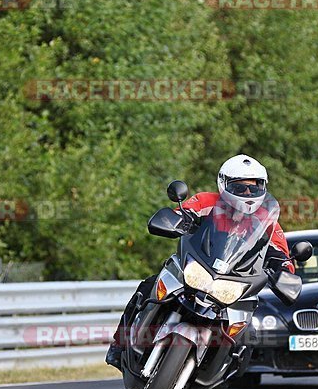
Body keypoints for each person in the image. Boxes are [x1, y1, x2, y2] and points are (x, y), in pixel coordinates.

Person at [105, 154, 294, 370]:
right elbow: (181, 215)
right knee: (147, 286)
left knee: (246, 332)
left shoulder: (268, 223)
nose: (248, 194)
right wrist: (175, 222)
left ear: (264, 187)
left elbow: (282, 255)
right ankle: (118, 346)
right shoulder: (206, 201)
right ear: (224, 184)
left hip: (233, 284)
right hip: (196, 268)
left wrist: (283, 272)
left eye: (254, 187)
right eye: (240, 188)